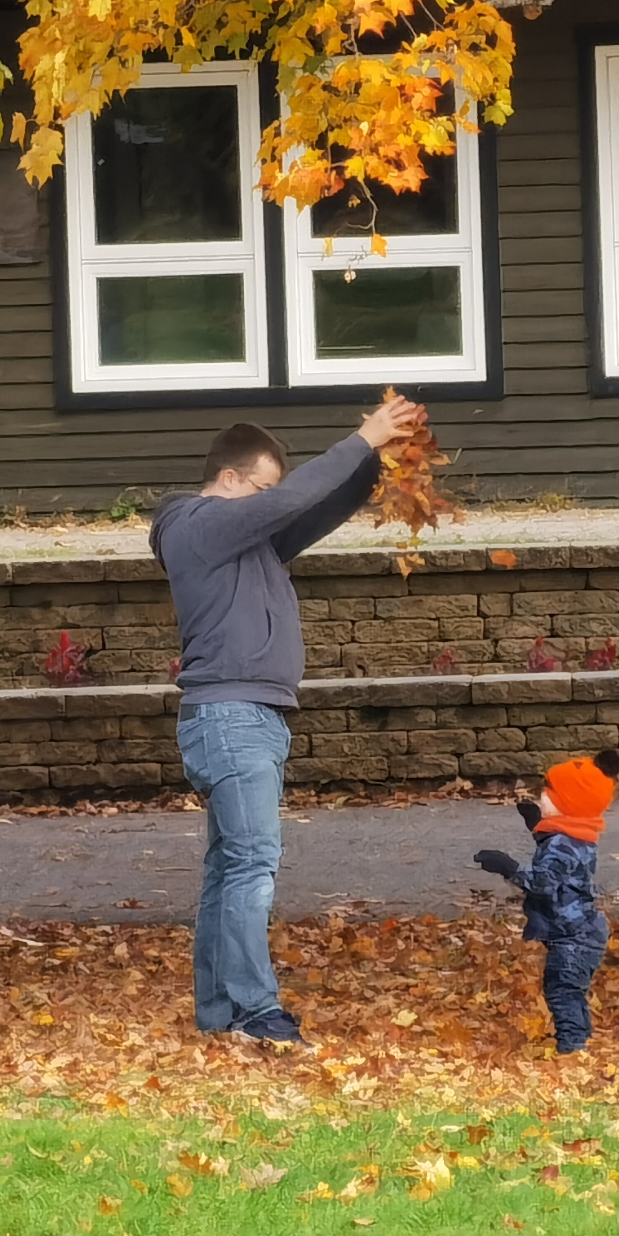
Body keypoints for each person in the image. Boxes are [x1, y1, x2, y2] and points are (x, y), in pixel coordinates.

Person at [151, 398, 424, 1045]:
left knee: (230, 869)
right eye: (262, 487)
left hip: (250, 716)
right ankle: (254, 1012)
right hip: (230, 718)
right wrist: (360, 435)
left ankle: (220, 1016)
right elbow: (280, 504)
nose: (270, 500)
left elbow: (308, 508)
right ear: (230, 479)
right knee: (251, 866)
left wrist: (372, 465)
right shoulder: (197, 525)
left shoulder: (241, 541)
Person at [473, 749, 619, 1053]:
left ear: (569, 805)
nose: (542, 799)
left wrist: (507, 867)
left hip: (574, 938)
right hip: (580, 931)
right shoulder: (576, 836)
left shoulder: (563, 844)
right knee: (569, 990)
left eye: (549, 795)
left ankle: (573, 1046)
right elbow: (555, 857)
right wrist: (536, 828)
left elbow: (542, 882)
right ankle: (579, 1041)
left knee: (562, 991)